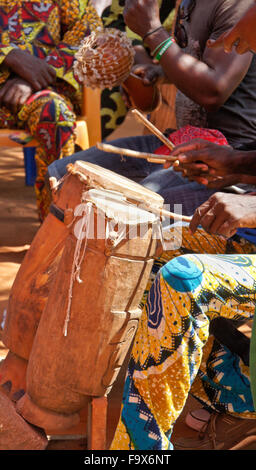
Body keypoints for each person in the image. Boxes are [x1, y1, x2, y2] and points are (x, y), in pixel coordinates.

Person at [0, 0, 102, 221]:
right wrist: (9, 55)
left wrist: (35, 77)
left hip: (40, 90)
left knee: (56, 114)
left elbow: (88, 31)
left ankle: (55, 226)